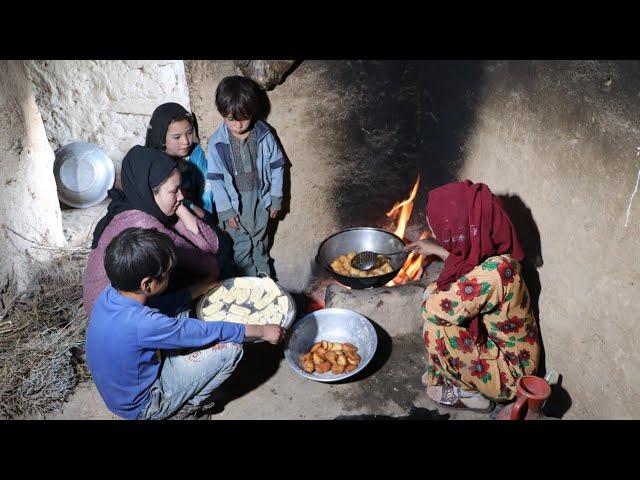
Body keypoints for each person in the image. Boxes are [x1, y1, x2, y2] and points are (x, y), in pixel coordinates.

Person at [86, 227, 285, 420]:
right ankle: (184, 410)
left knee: (181, 315)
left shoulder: (110, 294)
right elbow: (201, 332)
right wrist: (260, 331)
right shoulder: (143, 324)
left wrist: (198, 289)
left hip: (121, 393)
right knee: (231, 350)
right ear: (147, 284)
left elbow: (160, 306)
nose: (170, 276)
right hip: (144, 406)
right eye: (167, 274)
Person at [404, 180, 540, 412]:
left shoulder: (494, 274)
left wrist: (432, 293)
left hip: (510, 375)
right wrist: (436, 249)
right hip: (507, 351)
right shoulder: (497, 253)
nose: (436, 230)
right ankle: (452, 371)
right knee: (441, 299)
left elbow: (433, 309)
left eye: (442, 228)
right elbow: (470, 267)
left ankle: (468, 393)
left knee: (435, 327)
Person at [83, 145, 219, 317]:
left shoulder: (144, 204)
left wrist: (179, 206)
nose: (181, 196)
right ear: (150, 193)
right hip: (115, 315)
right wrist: (207, 280)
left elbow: (211, 245)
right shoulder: (142, 223)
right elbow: (208, 260)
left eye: (180, 188)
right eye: (174, 191)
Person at [206, 75, 285, 277]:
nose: (238, 125)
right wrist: (226, 211)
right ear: (221, 113)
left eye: (243, 118)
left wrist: (275, 198)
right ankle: (248, 284)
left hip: (260, 200)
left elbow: (277, 166)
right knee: (241, 246)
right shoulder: (217, 143)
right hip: (234, 204)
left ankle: (266, 282)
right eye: (231, 119)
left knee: (260, 243)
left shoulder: (265, 134)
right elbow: (216, 181)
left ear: (253, 111)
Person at [145, 102, 234, 279]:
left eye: (189, 133)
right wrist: (190, 208)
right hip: (170, 219)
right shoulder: (153, 163)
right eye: (177, 137)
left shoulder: (195, 153)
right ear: (161, 137)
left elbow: (206, 189)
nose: (186, 141)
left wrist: (203, 215)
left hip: (201, 215)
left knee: (222, 247)